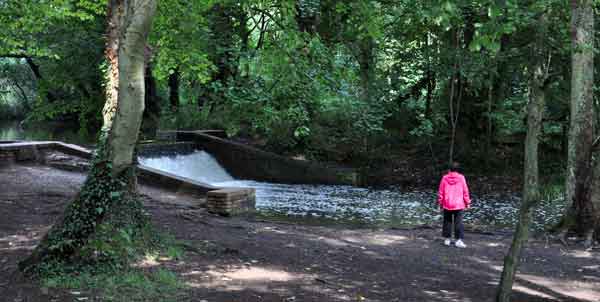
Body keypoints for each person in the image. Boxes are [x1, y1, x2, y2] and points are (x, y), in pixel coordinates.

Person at [437, 161, 471, 248]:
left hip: (447, 203)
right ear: (458, 169)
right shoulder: (461, 177)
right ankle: (458, 241)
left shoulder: (444, 178)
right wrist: (467, 202)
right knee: (458, 222)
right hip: (458, 203)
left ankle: (447, 240)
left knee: (447, 221)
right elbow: (465, 191)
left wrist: (440, 203)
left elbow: (440, 191)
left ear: (449, 169)